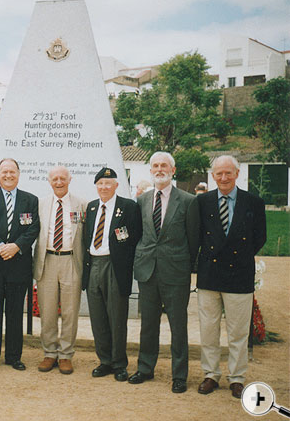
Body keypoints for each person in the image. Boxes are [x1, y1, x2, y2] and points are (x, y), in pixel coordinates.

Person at [129, 152, 199, 393]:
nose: (159, 169)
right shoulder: (142, 201)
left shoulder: (188, 201)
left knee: (178, 326)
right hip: (147, 271)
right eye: (155, 166)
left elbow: (193, 240)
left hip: (176, 272)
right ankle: (145, 368)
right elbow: (139, 235)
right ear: (150, 170)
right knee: (148, 325)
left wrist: (186, 268)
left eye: (164, 166)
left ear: (173, 169)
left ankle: (179, 375)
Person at [196, 155, 266, 399]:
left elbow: (260, 237)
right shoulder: (202, 202)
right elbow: (197, 237)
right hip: (209, 276)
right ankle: (210, 374)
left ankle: (237, 378)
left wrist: (241, 258)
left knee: (238, 332)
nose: (223, 178)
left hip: (239, 275)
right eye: (219, 174)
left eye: (228, 173)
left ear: (237, 174)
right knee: (208, 329)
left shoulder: (253, 202)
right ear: (212, 176)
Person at [0, 158, 39, 371]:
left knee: (14, 313)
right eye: (4, 172)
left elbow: (33, 229)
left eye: (12, 172)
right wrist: (0, 245)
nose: (8, 175)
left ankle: (13, 356)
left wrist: (16, 246)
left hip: (17, 266)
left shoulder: (30, 200)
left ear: (18, 174)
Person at [83, 167, 142, 382]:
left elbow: (134, 237)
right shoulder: (91, 208)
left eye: (109, 183)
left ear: (116, 185)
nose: (104, 187)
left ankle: (119, 363)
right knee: (97, 317)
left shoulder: (128, 207)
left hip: (115, 266)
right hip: (94, 264)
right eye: (101, 184)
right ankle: (104, 361)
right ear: (96, 186)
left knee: (117, 316)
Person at [33, 166, 86, 375]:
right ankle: (49, 353)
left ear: (70, 179)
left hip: (71, 261)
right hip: (47, 260)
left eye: (62, 178)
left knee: (70, 311)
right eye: (54, 178)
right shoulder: (41, 204)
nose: (59, 181)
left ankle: (65, 355)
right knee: (47, 311)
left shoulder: (81, 204)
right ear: (49, 181)